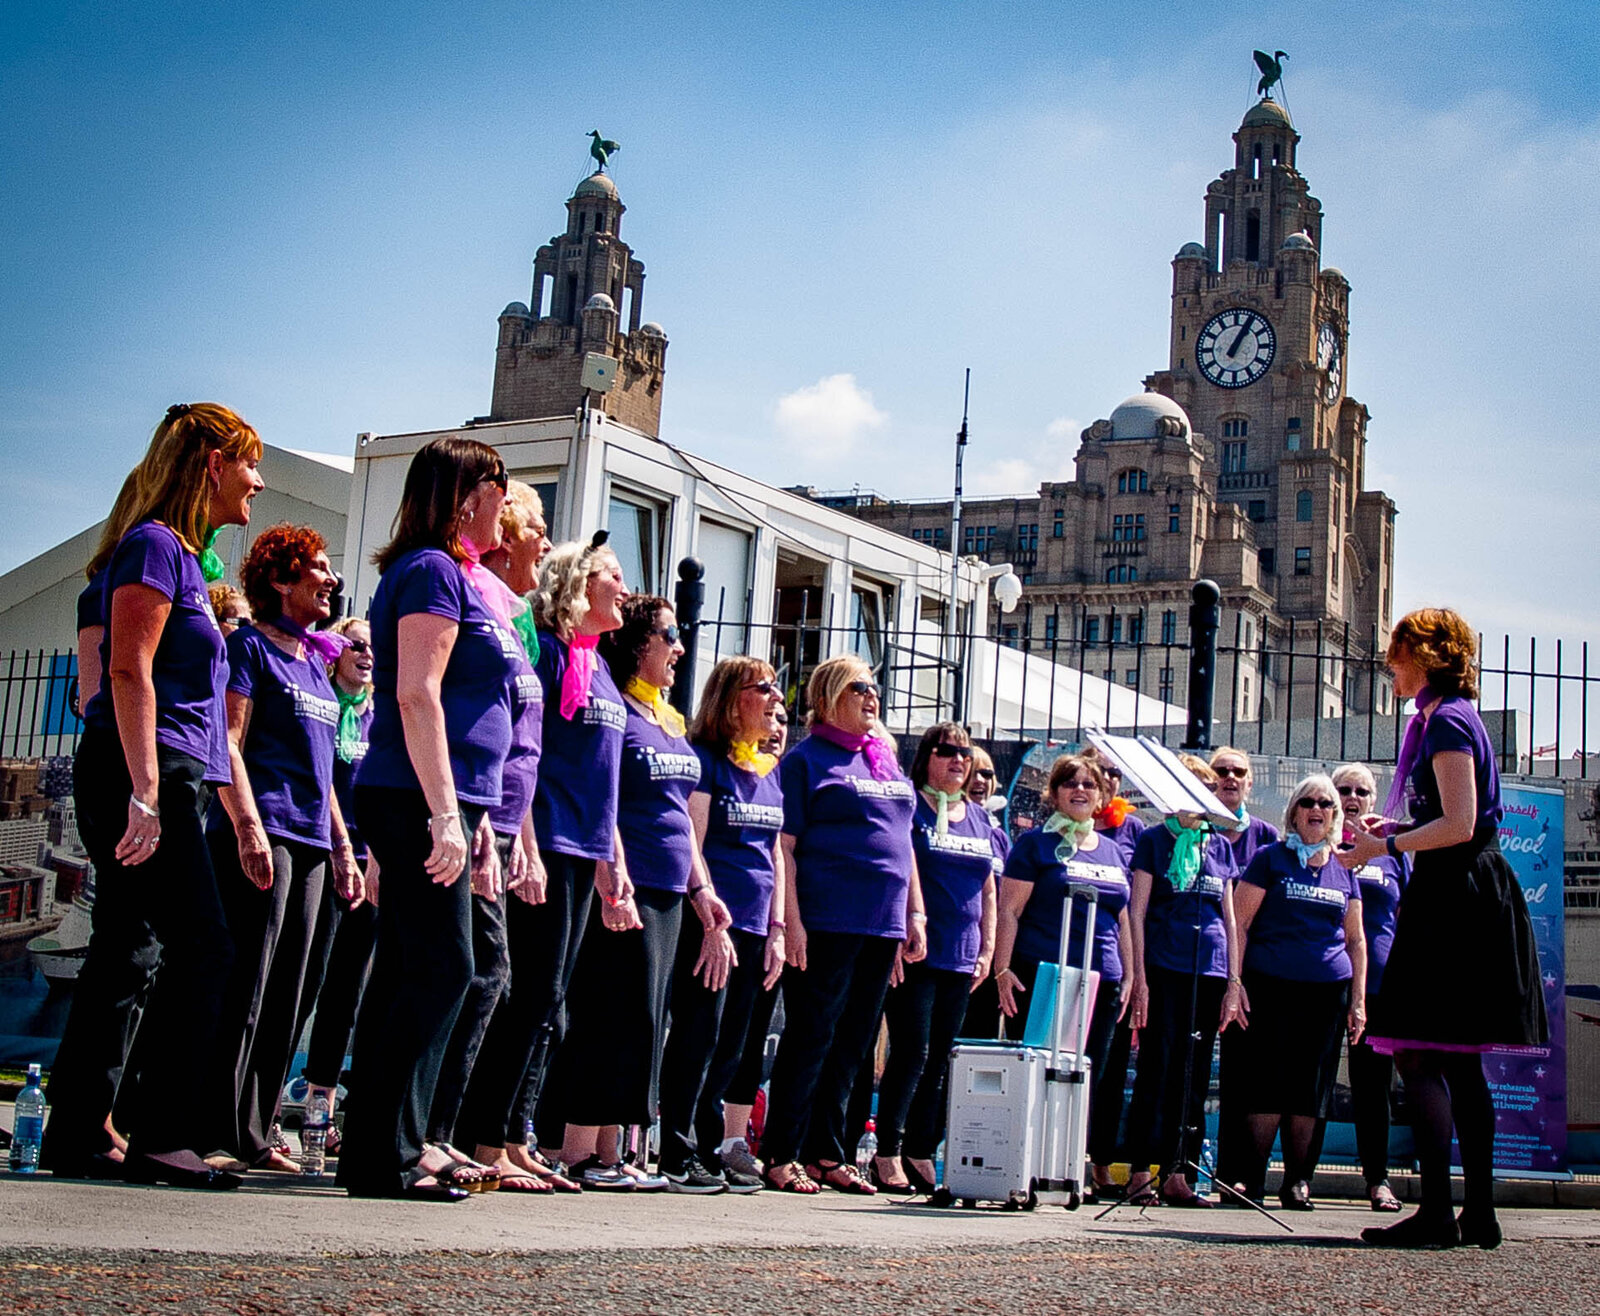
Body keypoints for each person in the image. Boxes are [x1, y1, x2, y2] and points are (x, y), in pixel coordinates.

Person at [44, 402, 263, 1188]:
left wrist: (235, 815)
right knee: (205, 946)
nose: (258, 482)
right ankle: (163, 1133)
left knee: (128, 947)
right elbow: (128, 670)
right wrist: (145, 793)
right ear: (211, 465)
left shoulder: (185, 561)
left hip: (166, 773)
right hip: (145, 769)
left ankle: (77, 1129)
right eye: (247, 464)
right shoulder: (154, 548)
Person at [338, 437, 520, 1202]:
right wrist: (446, 813)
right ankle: (396, 1149)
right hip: (413, 795)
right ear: (469, 495)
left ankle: (377, 1152)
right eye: (500, 492)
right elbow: (417, 694)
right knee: (444, 966)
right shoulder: (431, 570)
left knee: (416, 968)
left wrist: (468, 814)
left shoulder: (452, 575)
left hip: (440, 799)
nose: (506, 509)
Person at [1346, 608, 1547, 1250]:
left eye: (1398, 652)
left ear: (1428, 655)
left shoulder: (1450, 720)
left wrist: (1385, 847)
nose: (1390, 664)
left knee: (1422, 1051)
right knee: (1455, 1062)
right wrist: (1398, 833)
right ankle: (1475, 1212)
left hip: (1457, 896)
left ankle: (1441, 1211)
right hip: (1459, 891)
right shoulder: (1446, 719)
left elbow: (1459, 823)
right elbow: (1458, 821)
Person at [539, 596, 731, 1191]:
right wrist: (610, 872)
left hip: (673, 885)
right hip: (627, 878)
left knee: (644, 1020)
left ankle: (612, 1152)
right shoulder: (614, 709)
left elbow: (682, 819)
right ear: (636, 645)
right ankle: (574, 1149)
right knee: (608, 1013)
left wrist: (703, 890)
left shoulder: (667, 721)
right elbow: (604, 797)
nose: (679, 647)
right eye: (668, 635)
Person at [204, 525, 359, 1172]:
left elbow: (324, 774)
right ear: (280, 580)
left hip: (314, 844)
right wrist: (246, 828)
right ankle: (216, 1130)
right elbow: (229, 742)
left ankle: (257, 1132)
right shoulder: (248, 650)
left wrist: (345, 849)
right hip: (265, 834)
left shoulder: (316, 667)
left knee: (292, 990)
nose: (331, 579)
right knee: (248, 983)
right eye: (317, 569)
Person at [759, 655, 926, 1194]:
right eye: (860, 688)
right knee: (812, 1035)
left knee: (855, 1042)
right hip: (827, 919)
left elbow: (905, 845)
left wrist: (914, 913)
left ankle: (827, 1152)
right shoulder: (807, 761)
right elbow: (784, 846)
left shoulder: (885, 762)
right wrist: (793, 922)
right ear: (830, 695)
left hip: (882, 925)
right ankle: (782, 1150)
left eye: (875, 689)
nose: (872, 697)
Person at [496, 535, 632, 1184]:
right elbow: (522, 754)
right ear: (577, 583)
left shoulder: (599, 664)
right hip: (546, 843)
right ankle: (492, 1134)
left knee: (552, 1001)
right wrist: (522, 842)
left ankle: (518, 1134)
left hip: (585, 848)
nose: (625, 588)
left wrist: (614, 864)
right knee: (530, 994)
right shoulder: (549, 654)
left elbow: (605, 779)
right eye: (613, 574)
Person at [425, 482, 551, 1182]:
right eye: (538, 528)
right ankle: (436, 1132)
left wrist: (520, 835)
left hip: (501, 821)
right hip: (466, 813)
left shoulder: (514, 620)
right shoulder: (468, 600)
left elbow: (521, 745)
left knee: (486, 976)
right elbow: (433, 704)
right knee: (468, 973)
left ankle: (451, 1133)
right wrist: (467, 816)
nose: (546, 544)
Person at [656, 657, 787, 1193]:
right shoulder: (706, 761)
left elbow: (776, 852)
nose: (777, 699)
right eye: (765, 688)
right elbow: (695, 838)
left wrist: (778, 928)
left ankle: (713, 1146)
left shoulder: (766, 768)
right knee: (698, 1035)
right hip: (715, 923)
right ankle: (677, 1147)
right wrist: (710, 923)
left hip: (758, 926)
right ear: (734, 698)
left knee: (734, 1042)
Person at [1223, 774, 1366, 1210]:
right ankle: (1252, 1177)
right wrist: (1236, 983)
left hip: (1325, 995)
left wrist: (1358, 1001)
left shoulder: (1344, 869)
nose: (1316, 809)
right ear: (1294, 812)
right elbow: (1240, 924)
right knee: (1266, 1084)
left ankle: (1298, 1182)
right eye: (1307, 802)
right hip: (1268, 988)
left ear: (1336, 816)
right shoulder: (1270, 859)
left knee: (1311, 1089)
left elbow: (1356, 940)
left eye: (1326, 803)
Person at [993, 754, 1130, 1198]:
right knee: (1042, 1071)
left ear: (1102, 795)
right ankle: (1031, 1166)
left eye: (1089, 784)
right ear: (1053, 794)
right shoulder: (1034, 846)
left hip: (1102, 980)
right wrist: (1003, 968)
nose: (1080, 789)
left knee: (1088, 1075)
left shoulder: (1112, 850)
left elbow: (1124, 918)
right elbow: (1009, 910)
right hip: (1044, 973)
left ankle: (1071, 1166)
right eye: (1069, 782)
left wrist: (1131, 976)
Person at [872, 722, 997, 1193]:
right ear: (926, 757)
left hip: (962, 956)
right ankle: (887, 1151)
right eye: (946, 752)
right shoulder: (909, 804)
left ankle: (921, 1149)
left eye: (964, 754)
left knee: (943, 1057)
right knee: (912, 1052)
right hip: (917, 949)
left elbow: (988, 889)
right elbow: (897, 866)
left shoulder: (980, 818)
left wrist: (986, 949)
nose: (958, 761)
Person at [1122, 754, 1239, 1207]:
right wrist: (1141, 977)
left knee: (1192, 1075)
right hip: (1165, 966)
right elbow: (1137, 909)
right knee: (1158, 1068)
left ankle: (1180, 1171)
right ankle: (1138, 1170)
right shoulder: (1154, 841)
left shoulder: (1220, 846)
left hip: (1207, 970)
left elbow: (1228, 916)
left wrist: (1234, 980)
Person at [299, 616, 377, 1158]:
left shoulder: (382, 716)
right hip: (325, 857)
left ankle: (321, 1110)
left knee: (348, 992)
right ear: (334, 652)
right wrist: (339, 848)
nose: (367, 654)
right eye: (356, 644)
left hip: (372, 870)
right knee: (306, 983)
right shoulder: (322, 705)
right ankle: (258, 1101)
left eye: (374, 647)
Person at [1331, 761, 1407, 1212]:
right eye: (1344, 789)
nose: (1352, 798)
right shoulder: (1318, 846)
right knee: (1314, 1078)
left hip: (1379, 985)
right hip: (1324, 980)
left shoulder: (1390, 853)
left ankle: (1377, 1179)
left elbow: (1409, 916)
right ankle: (1294, 1177)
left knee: (1373, 1084)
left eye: (1361, 791)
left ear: (1373, 801)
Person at [1208, 745, 1280, 1193]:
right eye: (1222, 771)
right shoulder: (1192, 831)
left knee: (1243, 1074)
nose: (1230, 778)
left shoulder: (1267, 838)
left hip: (1250, 976)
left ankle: (1233, 1172)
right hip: (1201, 964)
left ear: (1250, 782)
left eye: (1239, 772)